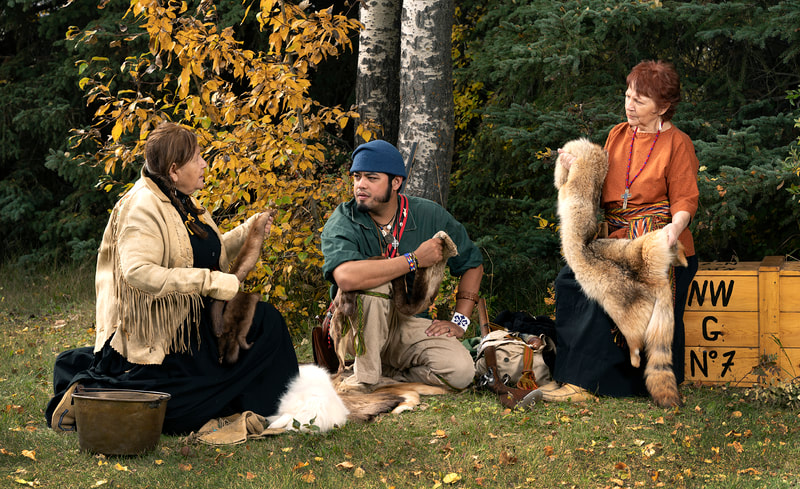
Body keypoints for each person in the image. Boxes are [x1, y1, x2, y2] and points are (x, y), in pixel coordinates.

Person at [46, 122, 299, 434]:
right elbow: (138, 272)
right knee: (181, 410)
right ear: (175, 169)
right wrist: (210, 283)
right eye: (197, 158)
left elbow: (200, 252)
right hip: (162, 338)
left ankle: (282, 401)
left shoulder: (182, 201)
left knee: (266, 322)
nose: (204, 163)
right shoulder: (142, 207)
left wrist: (248, 231)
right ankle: (91, 393)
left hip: (192, 322)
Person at [543, 60, 700, 402]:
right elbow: (596, 188)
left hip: (657, 243)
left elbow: (686, 199)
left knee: (613, 290)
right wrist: (573, 169)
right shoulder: (617, 134)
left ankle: (596, 385)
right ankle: (572, 377)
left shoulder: (678, 144)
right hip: (615, 240)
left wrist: (673, 230)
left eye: (640, 100)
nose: (630, 104)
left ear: (664, 106)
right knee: (569, 282)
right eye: (628, 95)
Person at [320, 139, 483, 390]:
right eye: (357, 177)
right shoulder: (344, 219)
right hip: (354, 323)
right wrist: (413, 260)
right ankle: (366, 380)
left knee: (460, 373)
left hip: (408, 323)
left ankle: (387, 376)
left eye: (372, 178)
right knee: (374, 283)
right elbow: (346, 277)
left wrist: (460, 321)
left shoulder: (429, 215)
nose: (360, 185)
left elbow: (472, 264)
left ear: (396, 183)